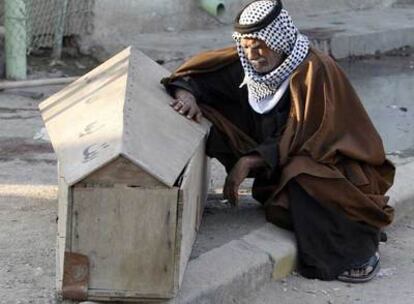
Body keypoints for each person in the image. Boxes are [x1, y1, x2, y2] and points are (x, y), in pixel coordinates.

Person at [162, 0, 395, 283]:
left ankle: (359, 252)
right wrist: (185, 95)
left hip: (332, 160)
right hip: (281, 158)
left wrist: (250, 160)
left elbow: (309, 139)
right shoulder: (250, 65)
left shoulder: (314, 70)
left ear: (279, 38)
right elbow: (195, 77)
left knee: (302, 177)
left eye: (260, 45)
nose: (253, 54)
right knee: (211, 115)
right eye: (246, 46)